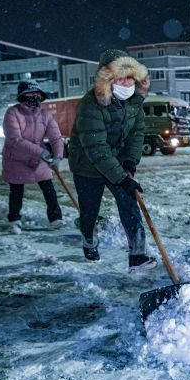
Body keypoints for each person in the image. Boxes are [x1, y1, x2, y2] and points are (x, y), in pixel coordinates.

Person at [68, 49, 156, 271]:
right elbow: (96, 148)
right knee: (90, 210)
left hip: (116, 160)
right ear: (107, 79)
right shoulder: (90, 106)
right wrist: (121, 178)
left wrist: (130, 163)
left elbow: (137, 133)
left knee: (129, 202)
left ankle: (137, 255)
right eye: (119, 77)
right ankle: (88, 240)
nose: (125, 83)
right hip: (87, 164)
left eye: (129, 77)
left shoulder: (134, 103)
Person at [2, 80, 65, 234]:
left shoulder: (45, 115)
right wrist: (41, 152)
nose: (34, 97)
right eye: (30, 94)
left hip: (37, 158)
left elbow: (56, 138)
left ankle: (55, 218)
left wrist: (57, 156)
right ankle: (14, 220)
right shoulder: (12, 113)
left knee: (48, 188)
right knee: (16, 191)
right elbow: (14, 140)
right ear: (22, 96)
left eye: (37, 95)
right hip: (16, 158)